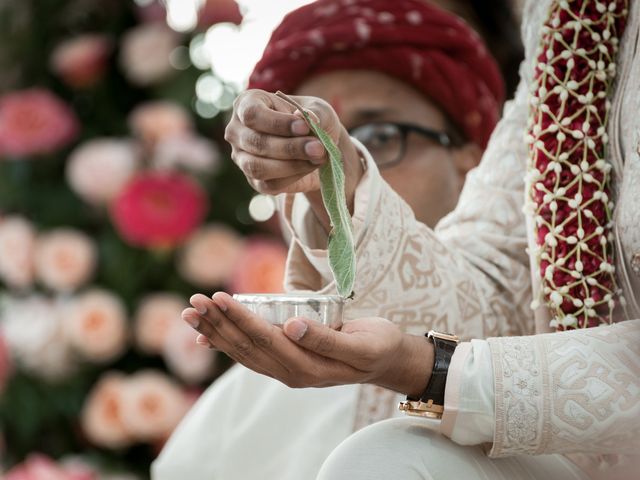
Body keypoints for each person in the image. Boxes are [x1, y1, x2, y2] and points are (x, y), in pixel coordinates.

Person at [172, 0, 640, 478]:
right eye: (342, 141)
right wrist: (342, 180)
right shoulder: (230, 425)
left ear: (471, 156)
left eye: (379, 134)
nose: (357, 153)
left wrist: (425, 370)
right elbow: (494, 293)